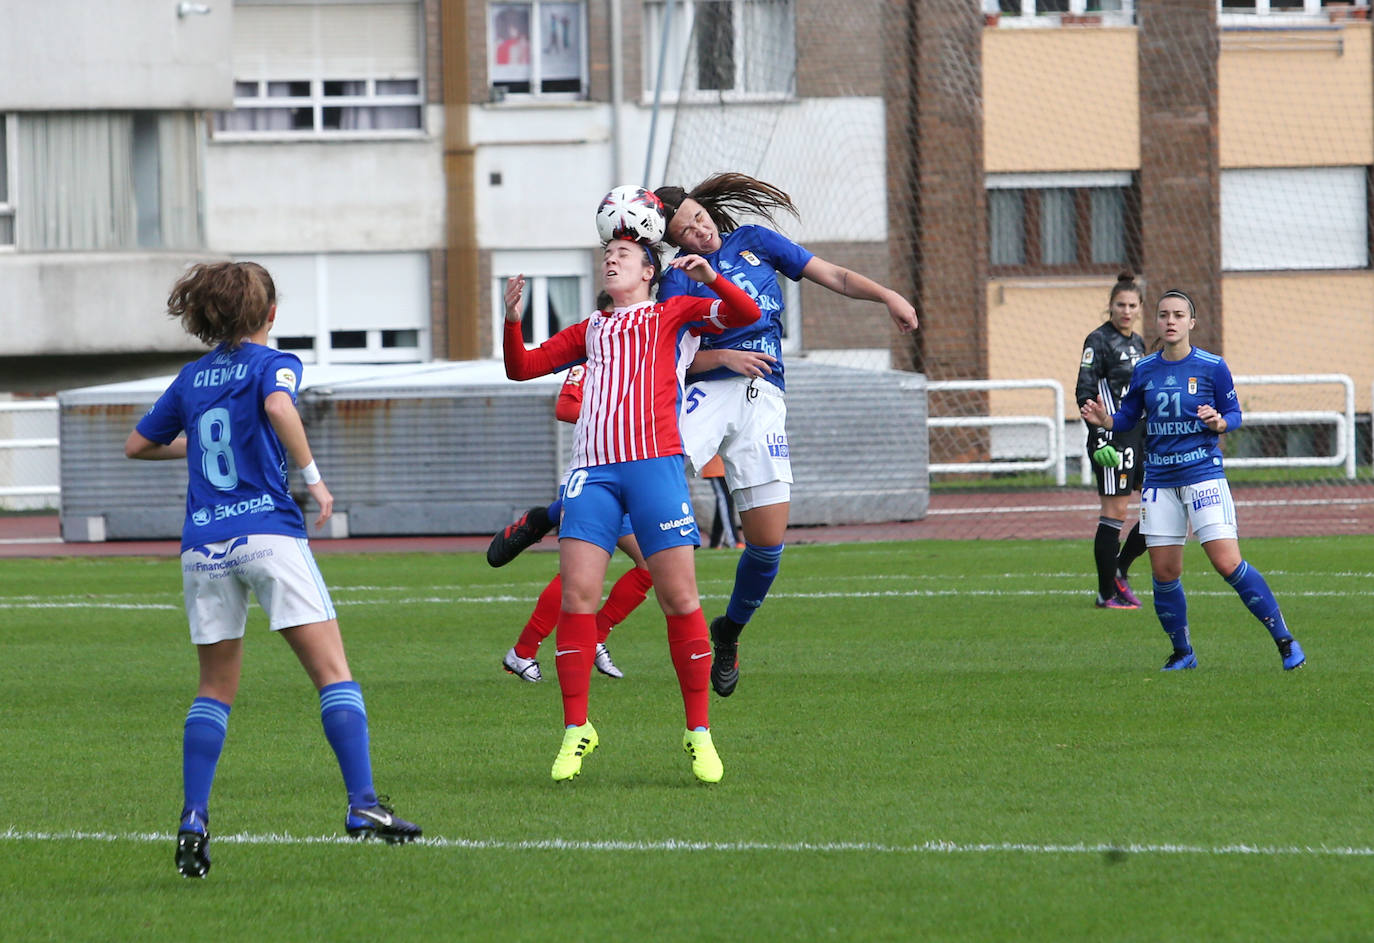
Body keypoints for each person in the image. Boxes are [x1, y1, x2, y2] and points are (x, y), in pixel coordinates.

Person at [123, 261, 420, 879]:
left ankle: (193, 817)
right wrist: (313, 479)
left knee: (214, 689)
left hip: (203, 545)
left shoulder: (191, 377)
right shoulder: (271, 364)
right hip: (265, 533)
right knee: (333, 673)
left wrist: (204, 445)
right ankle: (364, 806)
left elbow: (138, 444)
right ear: (271, 314)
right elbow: (281, 407)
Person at [502, 236, 760, 783]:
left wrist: (710, 276)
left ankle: (699, 733)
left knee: (680, 597)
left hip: (654, 468)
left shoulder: (673, 313)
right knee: (577, 598)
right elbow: (520, 368)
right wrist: (512, 318)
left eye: (624, 254)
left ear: (648, 272)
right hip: (591, 472)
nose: (611, 259)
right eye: (607, 254)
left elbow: (747, 311)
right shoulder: (590, 329)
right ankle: (577, 729)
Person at [654, 172, 919, 697]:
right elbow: (669, 362)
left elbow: (836, 276)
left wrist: (887, 295)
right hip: (709, 390)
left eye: (699, 218)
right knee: (644, 469)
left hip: (764, 398)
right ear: (674, 242)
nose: (699, 232)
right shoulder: (677, 280)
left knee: (769, 545)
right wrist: (724, 356)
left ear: (707, 209)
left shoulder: (755, 241)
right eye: (685, 231)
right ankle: (557, 518)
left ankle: (728, 631)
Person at [1080, 289, 1306, 672]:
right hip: (1159, 480)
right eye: (1164, 314)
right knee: (1165, 572)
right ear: (1156, 321)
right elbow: (1128, 417)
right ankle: (1183, 652)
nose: (1170, 321)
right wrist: (1106, 421)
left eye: (1178, 315)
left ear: (1191, 323)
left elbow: (1234, 413)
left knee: (1226, 563)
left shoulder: (1212, 366)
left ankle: (1285, 640)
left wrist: (1220, 423)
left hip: (1202, 475)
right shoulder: (1145, 370)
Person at [500, 357, 652, 684]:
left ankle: (594, 636)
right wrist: (614, 419)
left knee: (651, 564)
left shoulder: (644, 346)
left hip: (627, 476)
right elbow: (566, 407)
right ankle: (523, 652)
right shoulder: (593, 350)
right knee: (577, 578)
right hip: (590, 477)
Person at [1075, 272, 1148, 610]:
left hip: (1141, 437)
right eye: (1120, 304)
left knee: (1161, 508)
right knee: (1115, 512)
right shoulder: (1098, 341)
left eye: (1132, 305)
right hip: (1112, 439)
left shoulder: (1139, 343)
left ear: (1140, 308)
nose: (1126, 310)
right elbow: (1086, 392)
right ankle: (1106, 592)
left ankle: (1120, 568)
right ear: (1110, 306)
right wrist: (1101, 438)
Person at [701, 455, 742, 549]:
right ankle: (734, 541)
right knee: (725, 503)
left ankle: (716, 543)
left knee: (724, 505)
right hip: (716, 468)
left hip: (725, 467)